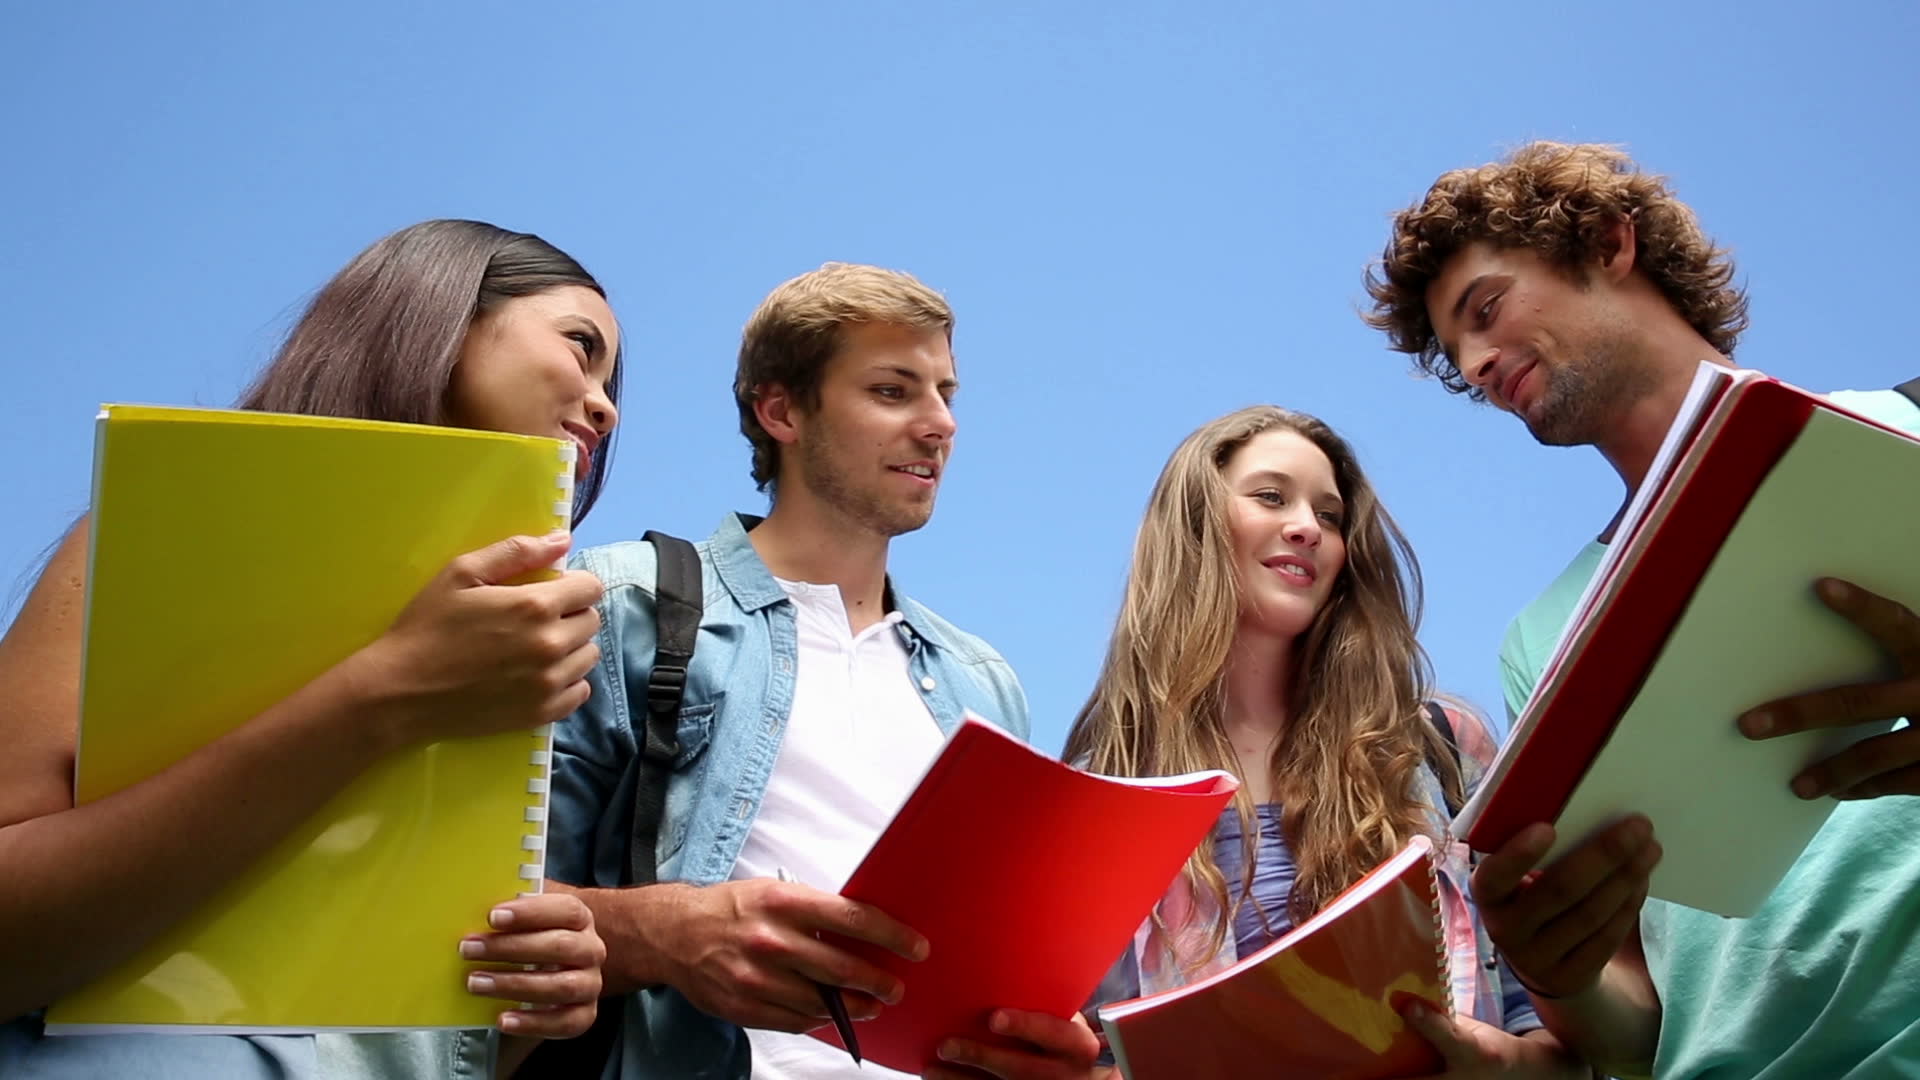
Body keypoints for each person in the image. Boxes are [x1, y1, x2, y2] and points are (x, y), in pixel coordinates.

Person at [0, 219, 623, 1079]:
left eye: (609, 382)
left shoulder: (526, 649)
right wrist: (388, 692)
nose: (604, 405)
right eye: (582, 347)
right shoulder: (159, 536)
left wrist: (526, 999)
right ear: (441, 314)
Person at [1365, 140, 1920, 1078]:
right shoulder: (1539, 641)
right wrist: (1560, 975)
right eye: (1459, 358)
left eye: (1486, 310)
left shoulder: (1906, 428)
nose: (1478, 362)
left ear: (1609, 243)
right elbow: (1635, 1031)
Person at [546, 262, 1105, 1080]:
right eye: (892, 391)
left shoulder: (983, 682)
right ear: (780, 411)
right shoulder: (626, 603)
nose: (939, 424)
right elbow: (485, 906)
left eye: (946, 393)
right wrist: (668, 932)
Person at [1055, 405, 1585, 1079]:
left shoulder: (1442, 747)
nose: (1307, 527)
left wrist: (1501, 1065)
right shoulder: (1097, 800)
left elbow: (1558, 1038)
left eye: (1329, 516)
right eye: (1271, 497)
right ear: (1193, 524)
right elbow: (1084, 1051)